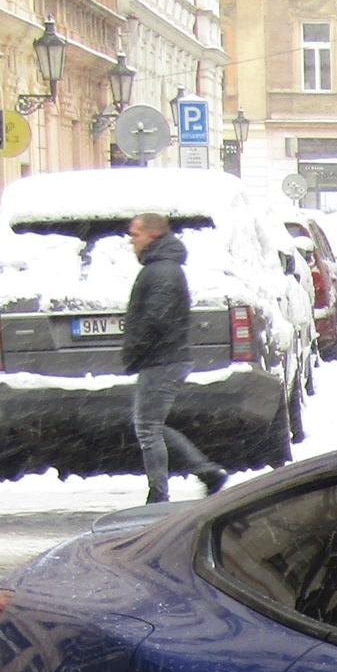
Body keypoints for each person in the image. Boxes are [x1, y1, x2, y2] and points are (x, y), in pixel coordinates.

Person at [120, 212, 228, 504]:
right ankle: (205, 472)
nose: (131, 241)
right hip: (163, 358)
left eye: (135, 234)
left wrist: (135, 350)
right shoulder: (161, 268)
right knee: (150, 425)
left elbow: (157, 318)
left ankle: (162, 493)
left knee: (147, 428)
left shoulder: (162, 270)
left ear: (153, 235)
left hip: (162, 359)